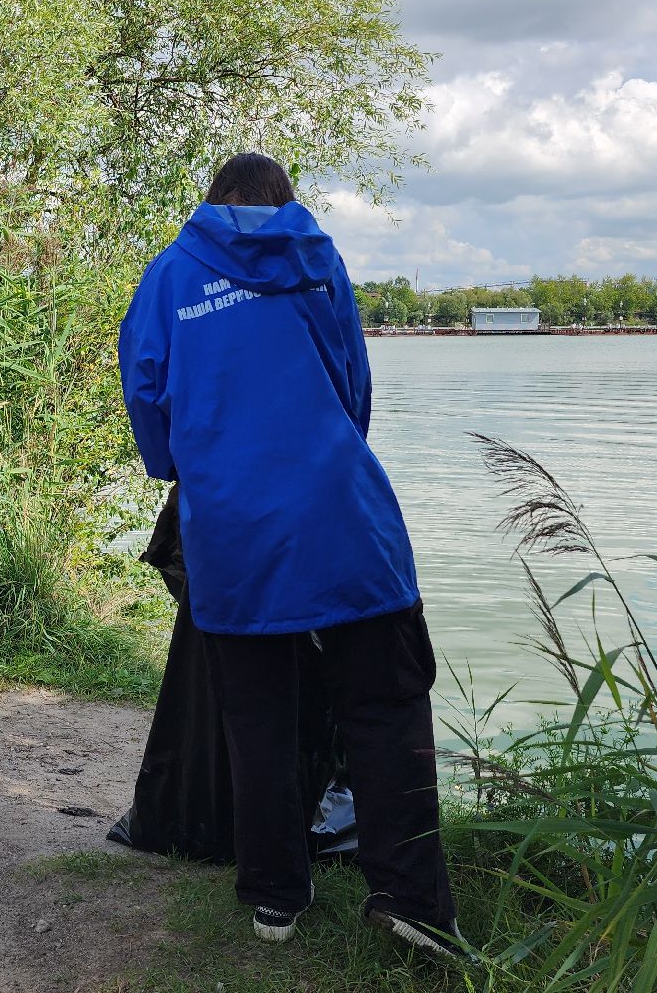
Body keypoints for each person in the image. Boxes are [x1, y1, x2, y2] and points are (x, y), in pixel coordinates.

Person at [117, 153, 466, 958]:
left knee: (258, 717)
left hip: (233, 532)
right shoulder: (318, 261)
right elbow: (353, 386)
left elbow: (148, 397)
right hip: (343, 519)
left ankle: (275, 897)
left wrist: (196, 462)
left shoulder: (169, 276)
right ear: (285, 204)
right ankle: (412, 900)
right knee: (386, 706)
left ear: (213, 203)